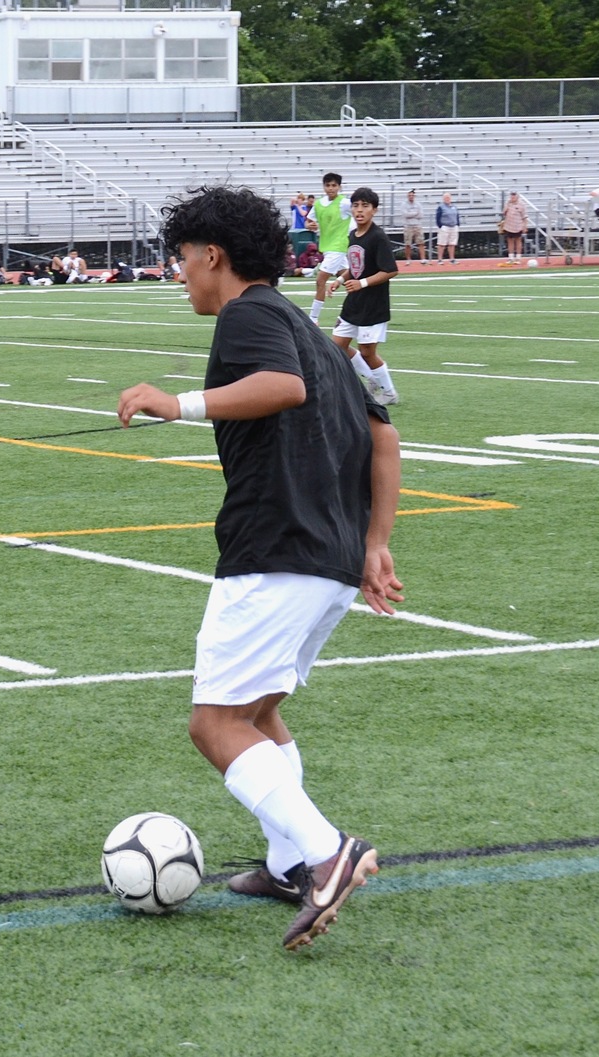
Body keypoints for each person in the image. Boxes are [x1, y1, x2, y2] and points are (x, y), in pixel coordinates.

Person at [116, 184, 400, 952]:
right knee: (259, 716)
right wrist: (375, 542)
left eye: (181, 258)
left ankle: (322, 850)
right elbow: (383, 438)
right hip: (330, 559)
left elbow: (283, 389)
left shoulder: (251, 315)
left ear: (213, 255)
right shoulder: (312, 330)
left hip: (276, 549)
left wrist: (173, 403)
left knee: (214, 724)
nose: (180, 274)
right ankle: (285, 866)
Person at [330, 187, 400, 406]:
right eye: (356, 205)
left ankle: (388, 392)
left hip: (373, 304)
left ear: (374, 210)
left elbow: (390, 270)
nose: (359, 210)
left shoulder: (378, 237)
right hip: (354, 302)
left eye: (365, 206)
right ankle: (372, 380)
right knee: (337, 346)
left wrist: (362, 283)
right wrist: (340, 280)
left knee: (367, 352)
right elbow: (356, 266)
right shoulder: (353, 235)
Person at [305, 172, 352, 324]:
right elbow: (309, 221)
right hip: (327, 248)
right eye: (328, 185)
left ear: (339, 187)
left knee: (320, 280)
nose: (331, 188)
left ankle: (313, 318)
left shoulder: (344, 203)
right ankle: (360, 305)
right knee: (350, 278)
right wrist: (310, 225)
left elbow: (359, 212)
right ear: (323, 187)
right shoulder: (318, 204)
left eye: (334, 185)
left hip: (338, 247)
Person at [500, 192, 528, 261]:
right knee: (510, 240)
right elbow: (504, 213)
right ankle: (511, 257)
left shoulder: (521, 204)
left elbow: (524, 216)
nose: (512, 197)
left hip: (518, 225)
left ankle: (518, 257)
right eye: (511, 196)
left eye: (514, 196)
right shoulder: (508, 203)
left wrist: (525, 226)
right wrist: (507, 206)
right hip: (509, 225)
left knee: (518, 240)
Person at [434, 193, 461, 264]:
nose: (447, 199)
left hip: (453, 227)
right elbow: (438, 217)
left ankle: (452, 259)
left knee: (452, 243)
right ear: (443, 199)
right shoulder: (441, 207)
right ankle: (440, 259)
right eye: (446, 198)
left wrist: (457, 224)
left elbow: (457, 215)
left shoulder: (454, 206)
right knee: (441, 243)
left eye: (448, 197)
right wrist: (440, 226)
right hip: (445, 227)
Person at [401, 191, 425, 262]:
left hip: (417, 225)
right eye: (409, 195)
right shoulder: (404, 204)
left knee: (421, 242)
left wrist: (411, 214)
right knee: (408, 243)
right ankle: (408, 259)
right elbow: (405, 215)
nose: (411, 197)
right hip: (408, 226)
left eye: (412, 195)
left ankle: (423, 259)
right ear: (407, 196)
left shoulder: (418, 204)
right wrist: (415, 213)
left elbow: (421, 215)